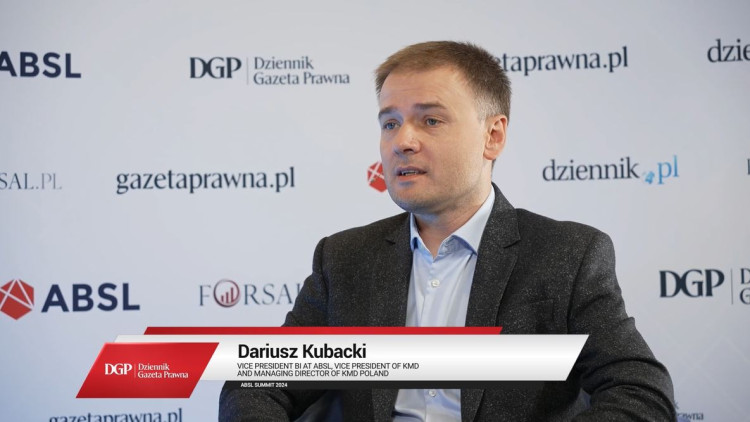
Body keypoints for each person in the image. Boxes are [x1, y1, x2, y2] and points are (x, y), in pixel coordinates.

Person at [219, 41, 675, 421]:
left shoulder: (568, 254)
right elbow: (258, 381)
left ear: (493, 136)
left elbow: (640, 392)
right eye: (390, 123)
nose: (402, 141)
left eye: (431, 120)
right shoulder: (344, 258)